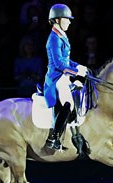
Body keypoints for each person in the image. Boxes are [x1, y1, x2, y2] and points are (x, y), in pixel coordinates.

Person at [43, 3, 88, 150]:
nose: (69, 21)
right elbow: (59, 65)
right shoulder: (54, 39)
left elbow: (66, 61)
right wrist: (76, 73)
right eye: (66, 19)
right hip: (56, 78)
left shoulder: (62, 35)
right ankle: (54, 137)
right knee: (68, 102)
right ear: (57, 20)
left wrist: (78, 66)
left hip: (64, 76)